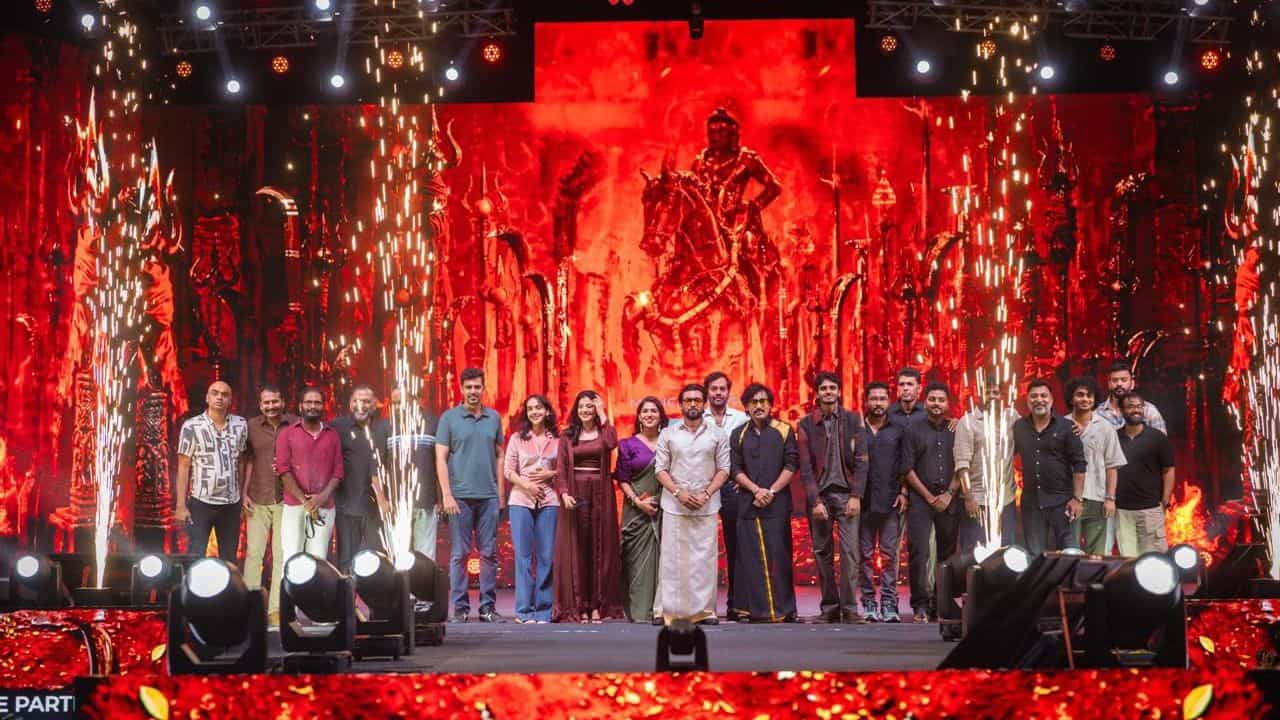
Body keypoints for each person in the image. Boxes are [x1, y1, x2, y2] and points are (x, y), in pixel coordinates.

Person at [655, 383, 731, 625]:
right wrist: (679, 493)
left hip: (706, 505)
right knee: (672, 560)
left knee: (704, 561)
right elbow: (660, 470)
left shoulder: (717, 434)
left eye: (697, 400)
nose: (693, 404)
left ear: (704, 403)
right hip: (674, 504)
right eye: (688, 400)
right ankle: (667, 611)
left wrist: (706, 494)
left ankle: (704, 612)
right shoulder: (668, 434)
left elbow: (724, 469)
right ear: (680, 404)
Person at [796, 371, 868, 624]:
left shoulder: (853, 419)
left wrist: (856, 495)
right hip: (821, 497)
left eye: (832, 388)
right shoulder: (806, 424)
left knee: (850, 553)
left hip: (847, 495)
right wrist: (815, 501)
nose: (828, 392)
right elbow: (805, 468)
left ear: (838, 391)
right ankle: (829, 609)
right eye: (824, 388)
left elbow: (862, 461)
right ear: (817, 393)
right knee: (821, 553)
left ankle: (849, 608)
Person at [436, 367, 506, 623]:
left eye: (477, 387)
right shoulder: (449, 418)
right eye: (469, 387)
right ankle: (460, 609)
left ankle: (487, 608)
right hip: (460, 497)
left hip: (488, 496)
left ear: (483, 388)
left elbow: (500, 456)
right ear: (461, 389)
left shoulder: (493, 418)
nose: (473, 391)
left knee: (489, 553)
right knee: (459, 554)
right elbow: (440, 459)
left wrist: (500, 493)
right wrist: (446, 495)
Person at [729, 383, 798, 623]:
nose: (759, 406)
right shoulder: (738, 434)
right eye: (753, 402)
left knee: (779, 557)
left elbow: (791, 465)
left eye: (763, 401)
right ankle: (752, 610)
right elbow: (734, 468)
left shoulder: (784, 430)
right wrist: (755, 490)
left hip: (777, 505)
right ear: (746, 407)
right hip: (748, 504)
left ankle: (783, 610)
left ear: (770, 405)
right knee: (750, 558)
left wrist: (771, 491)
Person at [553, 391, 623, 622]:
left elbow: (612, 443)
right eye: (582, 406)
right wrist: (564, 493)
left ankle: (597, 605)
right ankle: (580, 605)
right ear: (576, 409)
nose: (585, 410)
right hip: (576, 493)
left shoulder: (604, 432)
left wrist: (602, 412)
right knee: (579, 551)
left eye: (590, 406)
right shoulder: (567, 435)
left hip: (601, 494)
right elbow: (561, 468)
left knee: (600, 549)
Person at [901, 382, 959, 623]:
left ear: (947, 404)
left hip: (949, 500)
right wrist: (928, 497)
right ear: (925, 402)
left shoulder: (957, 429)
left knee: (947, 555)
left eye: (941, 400)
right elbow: (907, 468)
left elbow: (963, 464)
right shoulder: (912, 429)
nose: (937, 404)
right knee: (919, 552)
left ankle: (941, 603)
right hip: (920, 500)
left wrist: (948, 494)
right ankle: (920, 605)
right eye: (932, 399)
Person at [175, 380, 249, 564]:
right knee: (195, 556)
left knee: (229, 558)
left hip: (231, 504)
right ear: (207, 398)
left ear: (230, 400)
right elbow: (183, 466)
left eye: (224, 394)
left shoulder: (240, 425)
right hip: (201, 503)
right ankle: (192, 583)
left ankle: (228, 584)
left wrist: (241, 495)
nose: (219, 397)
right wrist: (181, 505)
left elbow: (241, 461)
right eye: (215, 393)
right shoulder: (192, 426)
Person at [503, 395, 561, 624]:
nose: (534, 412)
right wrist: (526, 485)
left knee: (546, 557)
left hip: (549, 500)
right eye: (530, 409)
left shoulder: (558, 439)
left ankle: (543, 610)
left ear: (547, 411)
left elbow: (564, 469)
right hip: (521, 500)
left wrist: (550, 474)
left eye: (539, 408)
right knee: (523, 557)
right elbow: (509, 470)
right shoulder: (517, 438)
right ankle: (524, 611)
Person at [1012, 379, 1087, 555]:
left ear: (1051, 400)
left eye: (1043, 396)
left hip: (1062, 503)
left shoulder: (1067, 427)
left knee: (1069, 554)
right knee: (1035, 555)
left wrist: (1077, 499)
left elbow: (1079, 464)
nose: (1039, 400)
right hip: (1032, 505)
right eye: (1034, 396)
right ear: (1027, 400)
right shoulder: (1019, 427)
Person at [242, 384, 295, 626]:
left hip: (286, 499)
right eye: (266, 402)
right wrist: (244, 492)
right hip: (258, 497)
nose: (271, 406)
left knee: (281, 555)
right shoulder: (251, 426)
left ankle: (275, 610)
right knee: (254, 553)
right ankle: (250, 607)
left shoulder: (295, 424)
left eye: (275, 401)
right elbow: (247, 461)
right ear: (260, 405)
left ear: (282, 402)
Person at [275, 387, 344, 562]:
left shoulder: (332, 435)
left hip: (324, 505)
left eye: (317, 403)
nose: (313, 406)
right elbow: (283, 470)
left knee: (318, 560)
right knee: (291, 557)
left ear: (323, 406)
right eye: (308, 402)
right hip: (294, 505)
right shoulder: (287, 434)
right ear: (300, 406)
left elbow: (338, 471)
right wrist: (304, 500)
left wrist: (322, 497)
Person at [616, 396, 668, 624]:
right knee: (634, 561)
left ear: (660, 416)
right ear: (638, 416)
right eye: (645, 411)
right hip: (636, 511)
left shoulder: (669, 443)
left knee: (663, 559)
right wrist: (638, 502)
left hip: (664, 509)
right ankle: (638, 610)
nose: (649, 415)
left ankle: (660, 609)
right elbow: (622, 478)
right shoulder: (627, 445)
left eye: (653, 411)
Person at [858, 381, 907, 623]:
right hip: (863, 502)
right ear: (866, 401)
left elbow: (905, 464)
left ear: (889, 402)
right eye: (873, 398)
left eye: (882, 399)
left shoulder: (898, 429)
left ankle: (889, 603)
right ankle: (868, 602)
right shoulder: (857, 430)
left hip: (890, 502)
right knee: (864, 555)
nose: (878, 403)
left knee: (889, 556)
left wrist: (904, 492)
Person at [703, 370, 749, 620]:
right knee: (703, 547)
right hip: (704, 487)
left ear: (728, 392)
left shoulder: (741, 418)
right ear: (707, 392)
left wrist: (745, 480)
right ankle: (703, 606)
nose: (718, 393)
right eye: (714, 389)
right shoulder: (697, 418)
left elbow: (748, 451)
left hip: (733, 486)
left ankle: (736, 605)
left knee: (736, 546)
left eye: (722, 389)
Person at [953, 379, 1019, 550]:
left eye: (995, 392)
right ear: (978, 395)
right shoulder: (967, 422)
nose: (991, 396)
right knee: (976, 554)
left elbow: (1032, 428)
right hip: (978, 500)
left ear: (1002, 395)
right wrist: (969, 497)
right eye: (987, 392)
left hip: (1006, 501)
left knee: (1006, 553)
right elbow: (962, 464)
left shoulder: (1011, 417)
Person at [331, 384, 391, 571]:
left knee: (380, 560)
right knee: (346, 561)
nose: (361, 405)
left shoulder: (385, 427)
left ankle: (378, 592)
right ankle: (347, 591)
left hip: (377, 509)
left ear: (375, 404)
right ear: (350, 403)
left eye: (366, 401)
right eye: (357, 400)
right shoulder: (336, 427)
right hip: (346, 507)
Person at [1065, 376, 1126, 555]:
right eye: (1080, 395)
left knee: (1096, 554)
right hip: (1069, 499)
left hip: (1097, 499)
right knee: (1070, 551)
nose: (1085, 399)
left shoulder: (1106, 427)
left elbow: (1112, 465)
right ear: (1071, 398)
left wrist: (1110, 499)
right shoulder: (1061, 425)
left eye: (1089, 395)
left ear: (1094, 399)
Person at [1115, 391, 1176, 555]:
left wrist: (1165, 500)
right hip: (1122, 512)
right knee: (1127, 561)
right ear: (1121, 410)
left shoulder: (1158, 438)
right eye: (1130, 406)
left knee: (1154, 560)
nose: (1136, 410)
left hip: (1151, 510)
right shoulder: (1114, 437)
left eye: (1139, 406)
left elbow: (1169, 469)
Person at [387, 388, 441, 560]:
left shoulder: (433, 423)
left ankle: (424, 579)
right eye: (394, 403)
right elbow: (380, 466)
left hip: (426, 500)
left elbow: (440, 463)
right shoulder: (387, 426)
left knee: (425, 556)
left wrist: (441, 497)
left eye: (401, 402)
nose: (397, 407)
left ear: (415, 400)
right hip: (396, 503)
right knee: (398, 556)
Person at [1096, 361, 1167, 433]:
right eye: (1115, 380)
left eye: (1124, 380)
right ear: (1109, 384)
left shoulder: (1148, 410)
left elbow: (1160, 438)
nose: (1119, 384)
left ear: (1132, 383)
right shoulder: (1098, 412)